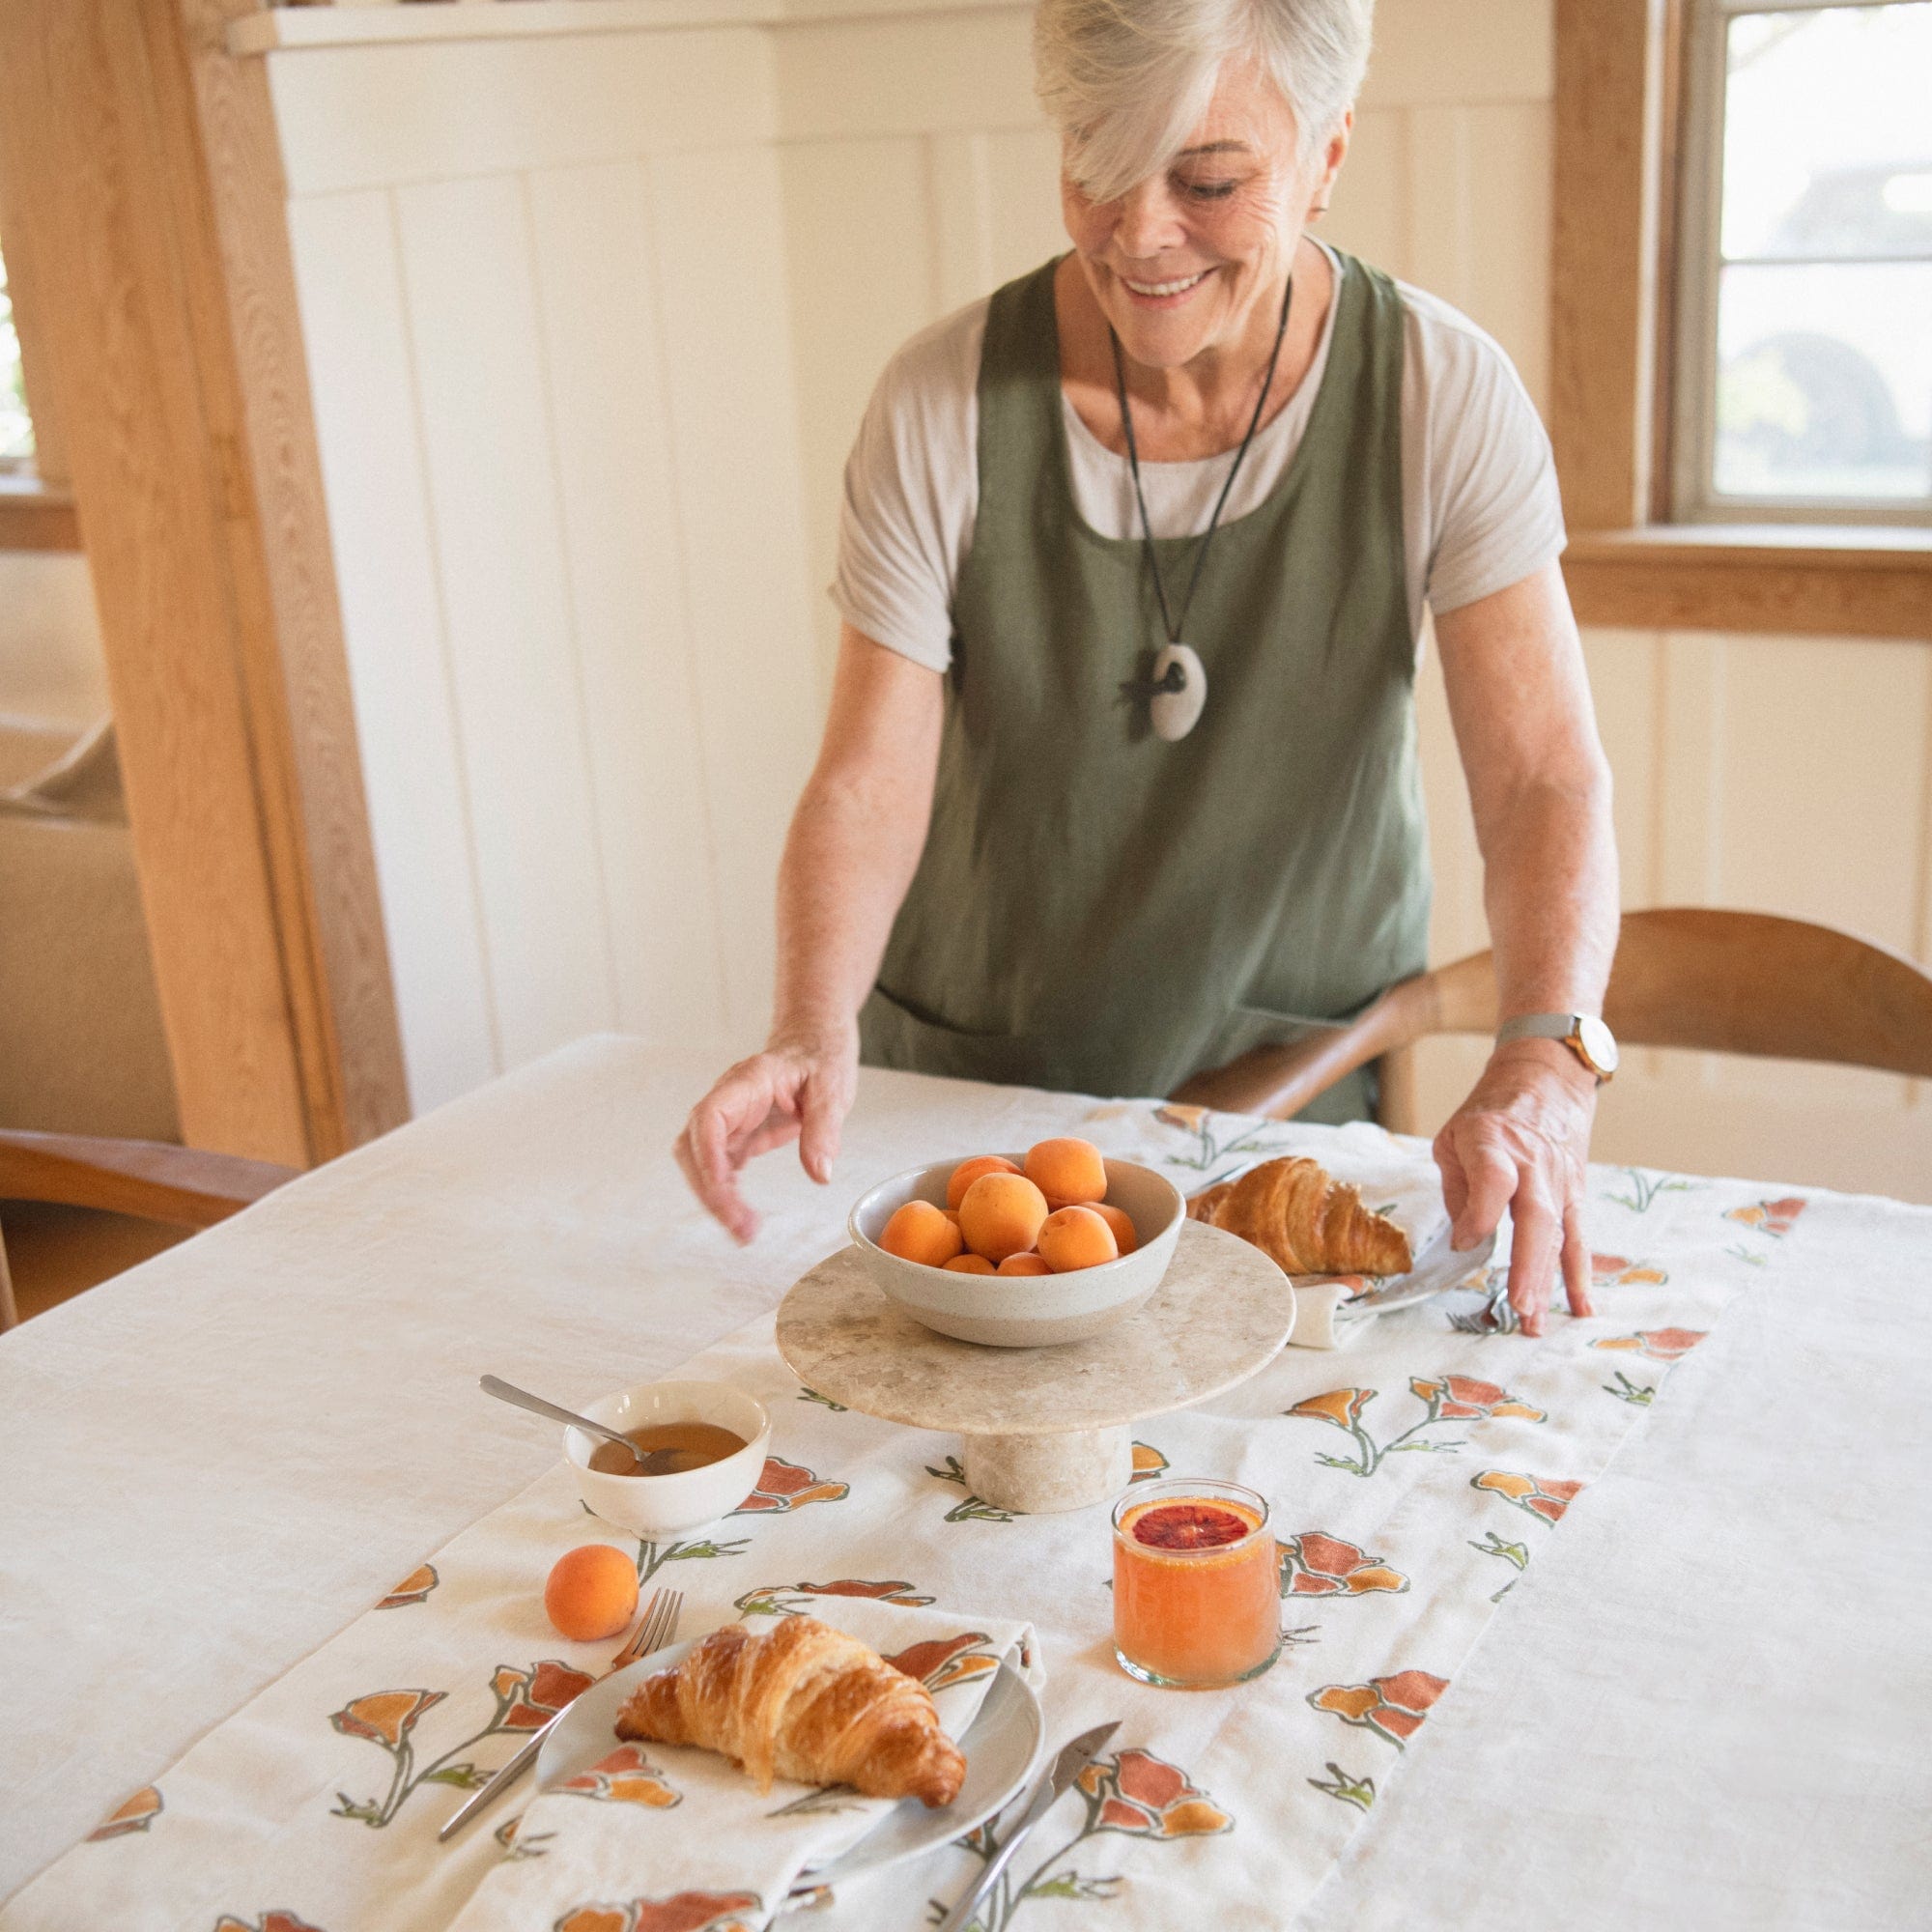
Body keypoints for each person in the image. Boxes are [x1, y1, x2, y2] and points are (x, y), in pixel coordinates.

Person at [676, 0, 1618, 1336]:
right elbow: (865, 785)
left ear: (1329, 152)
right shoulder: (941, 401)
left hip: (1296, 1106)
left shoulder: (1441, 396)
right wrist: (804, 1024)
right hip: (984, 1117)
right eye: (1097, 167)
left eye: (1209, 181)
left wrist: (1548, 1053)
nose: (1139, 231)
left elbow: (1539, 780)